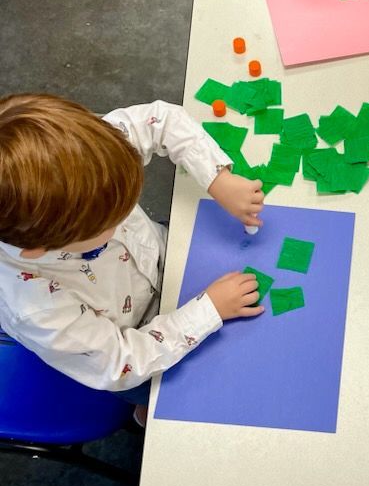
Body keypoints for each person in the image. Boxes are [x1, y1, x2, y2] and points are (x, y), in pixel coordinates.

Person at [0, 95, 266, 419]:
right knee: (172, 390)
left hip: (160, 257)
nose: (126, 214)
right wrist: (208, 311)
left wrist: (218, 179)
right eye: (112, 222)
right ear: (42, 248)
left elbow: (162, 119)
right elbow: (120, 363)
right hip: (132, 341)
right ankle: (148, 410)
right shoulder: (36, 308)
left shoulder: (91, 154)